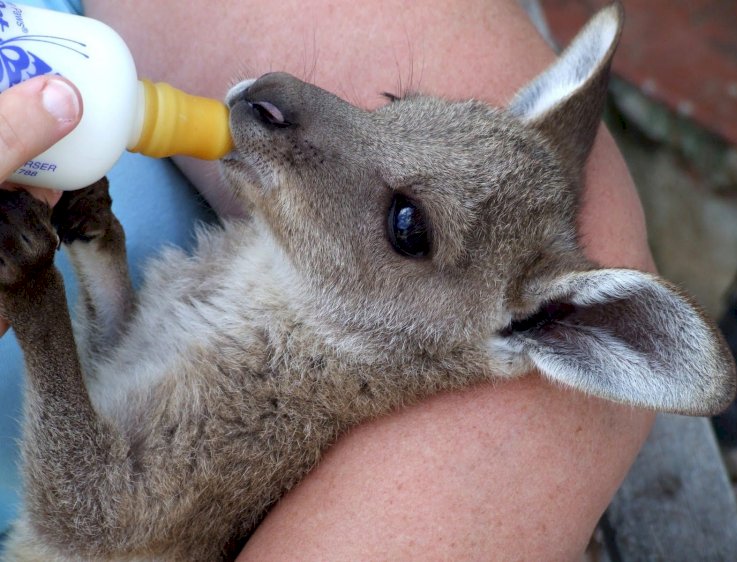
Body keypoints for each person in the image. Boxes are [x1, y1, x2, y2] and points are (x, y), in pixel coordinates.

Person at [0, 0, 656, 558]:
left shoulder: (284, 404)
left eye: (406, 226)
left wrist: (38, 303)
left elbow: (88, 517)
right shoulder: (277, 280)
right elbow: (120, 380)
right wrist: (86, 263)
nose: (284, 94)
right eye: (394, 108)